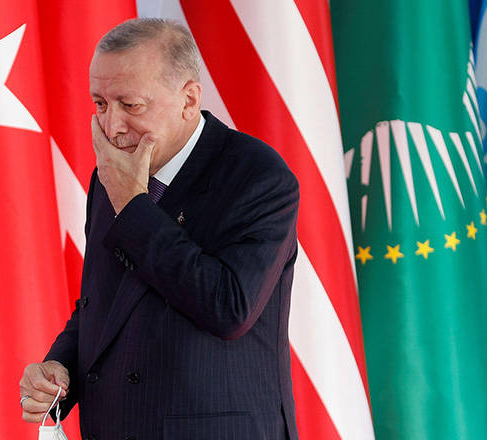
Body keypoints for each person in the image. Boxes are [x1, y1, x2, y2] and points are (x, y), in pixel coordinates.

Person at [19, 18, 300, 440]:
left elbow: (228, 308)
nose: (111, 128)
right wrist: (59, 371)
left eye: (130, 106)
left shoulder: (258, 175)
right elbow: (105, 302)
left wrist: (133, 205)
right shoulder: (112, 175)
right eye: (100, 104)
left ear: (189, 99)